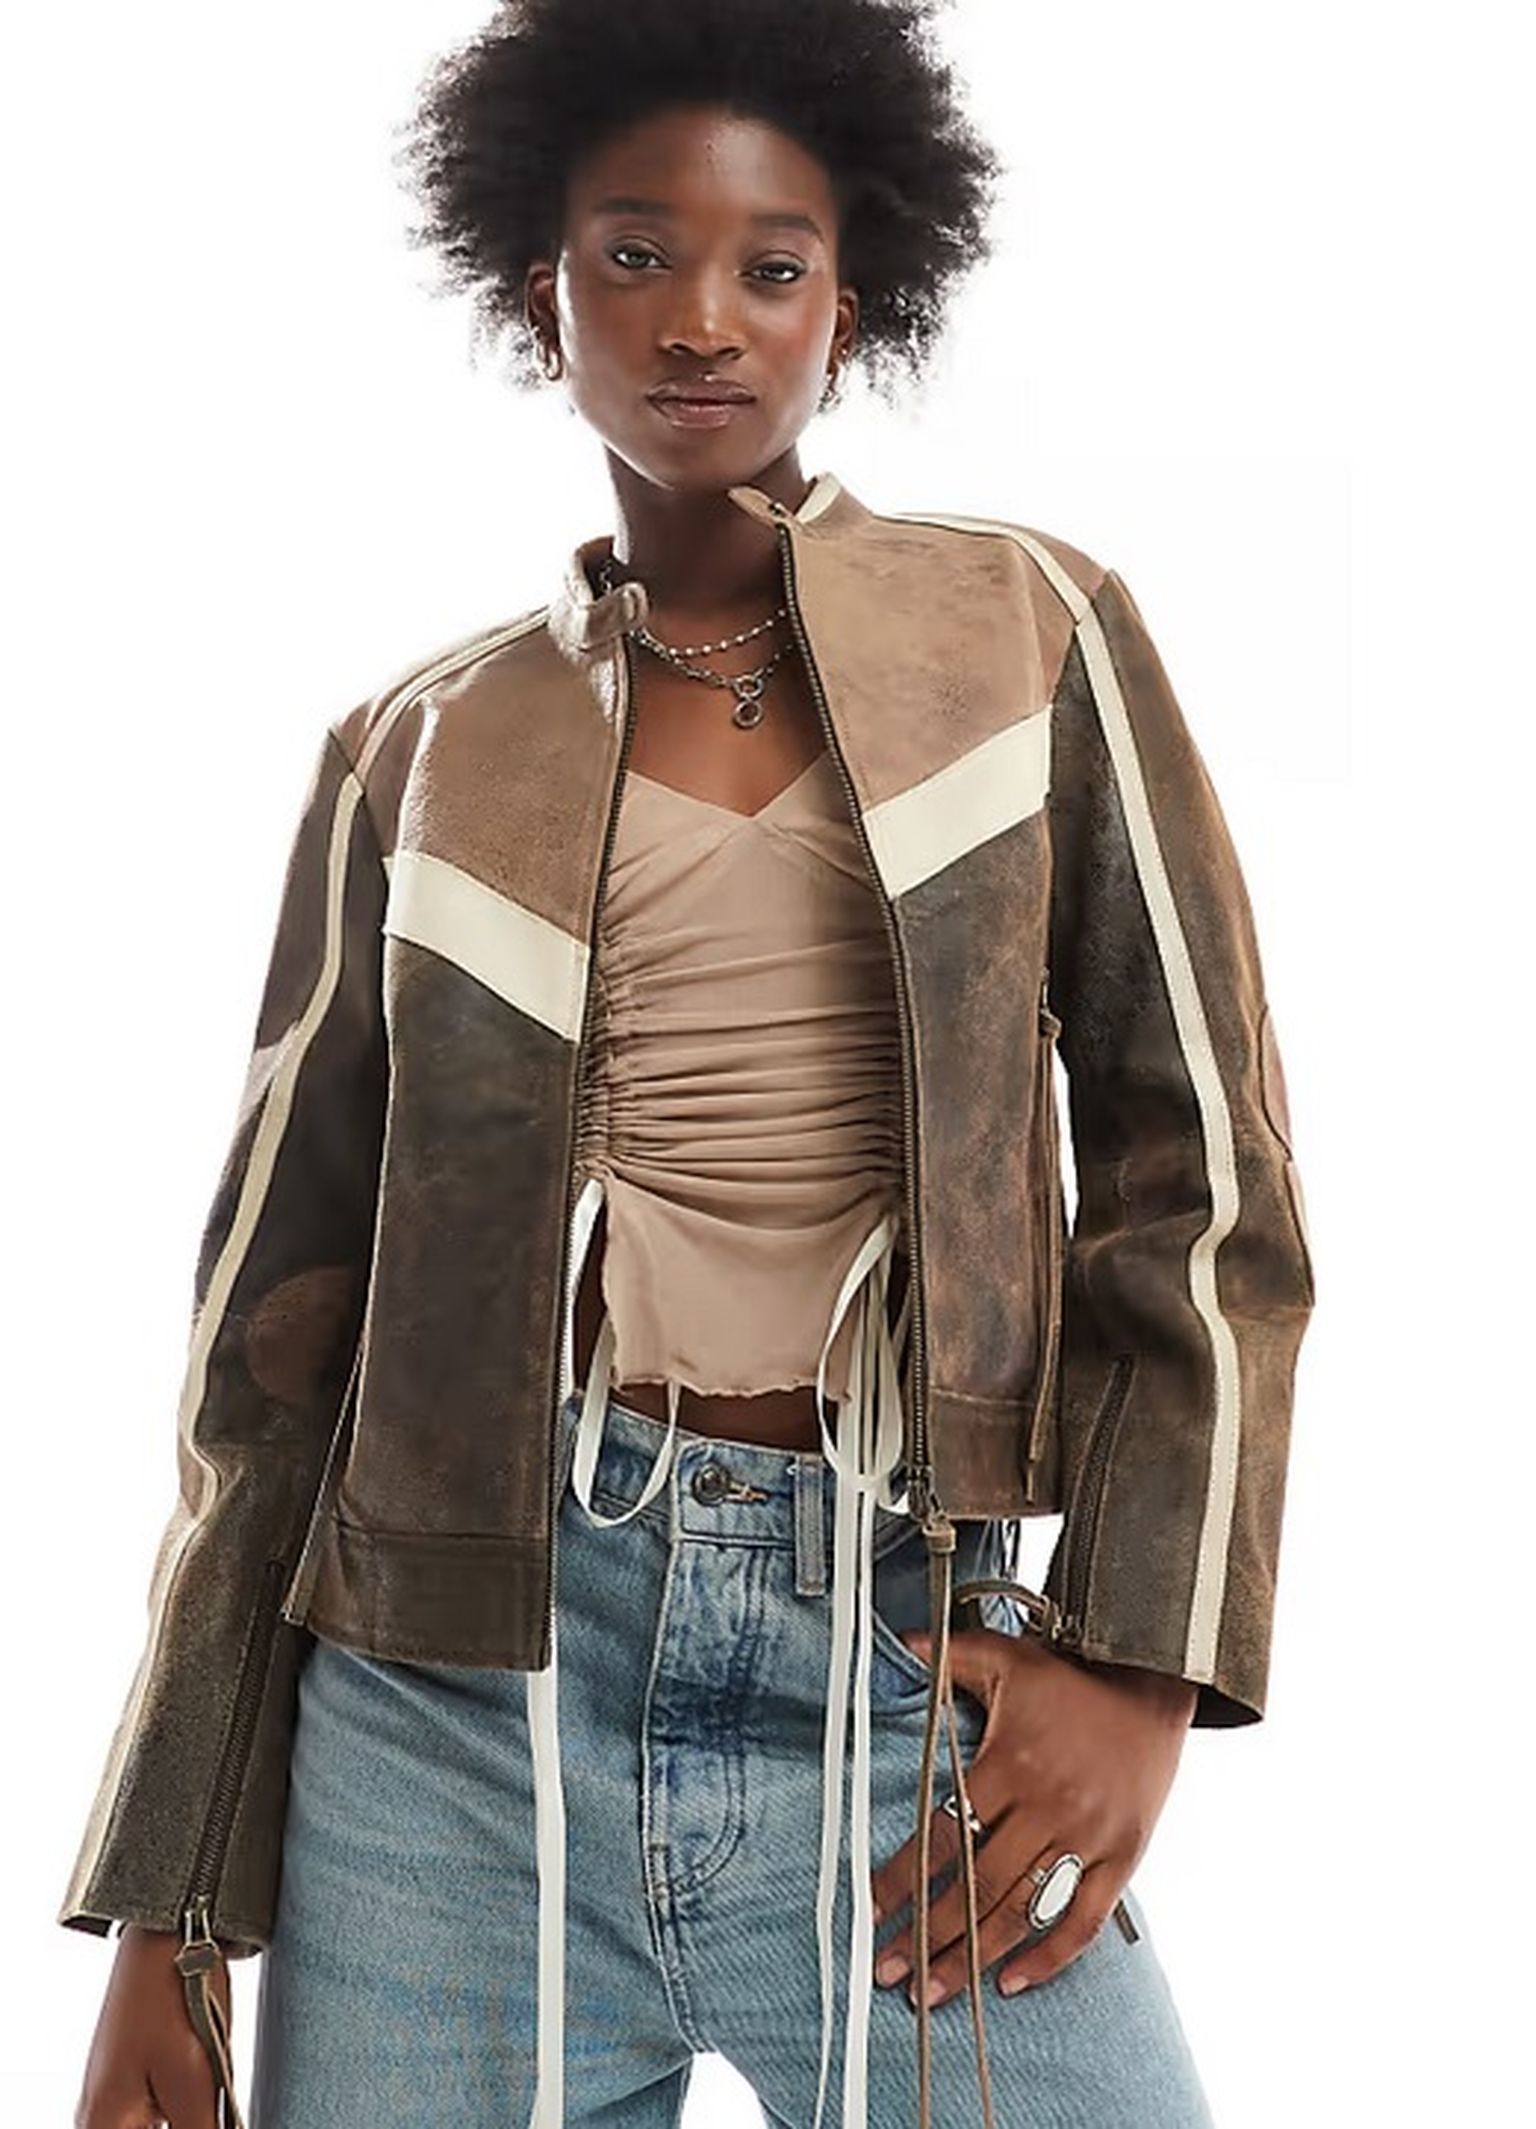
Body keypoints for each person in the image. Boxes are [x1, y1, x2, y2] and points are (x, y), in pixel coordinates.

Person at [62, 1, 1316, 2124]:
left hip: (895, 1669)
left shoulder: (1030, 633)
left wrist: (1142, 1660)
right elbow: (269, 1350)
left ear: (854, 299)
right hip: (447, 1730)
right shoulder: (416, 751)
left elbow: (1205, 1174)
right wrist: (169, 1911)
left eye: (772, 263)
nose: (702, 319)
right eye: (634, 253)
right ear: (539, 288)